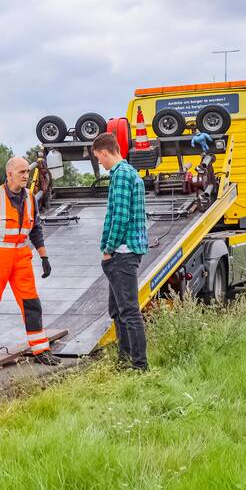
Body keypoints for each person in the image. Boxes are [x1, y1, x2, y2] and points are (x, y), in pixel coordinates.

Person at [0, 156, 57, 366]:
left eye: (27, 172)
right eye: (22, 172)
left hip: (20, 257)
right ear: (9, 175)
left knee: (32, 303)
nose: (26, 176)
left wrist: (44, 256)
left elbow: (35, 230)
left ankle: (40, 349)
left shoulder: (30, 198)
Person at [92, 133, 149, 371]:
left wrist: (109, 248)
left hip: (123, 253)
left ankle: (138, 365)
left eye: (98, 159)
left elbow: (120, 217)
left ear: (105, 153)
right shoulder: (125, 174)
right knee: (117, 310)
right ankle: (124, 359)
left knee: (128, 311)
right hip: (122, 252)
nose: (100, 165)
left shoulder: (122, 176)